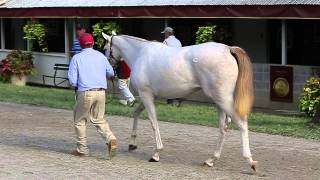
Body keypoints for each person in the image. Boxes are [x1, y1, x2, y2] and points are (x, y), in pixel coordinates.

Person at [68, 33, 117, 158]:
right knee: (99, 119)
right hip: (101, 92)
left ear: (80, 45)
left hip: (85, 92)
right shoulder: (101, 56)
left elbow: (72, 81)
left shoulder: (76, 58)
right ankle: (110, 138)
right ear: (93, 43)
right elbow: (111, 72)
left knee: (80, 120)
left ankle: (82, 149)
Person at [161, 27, 183, 105]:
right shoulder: (178, 41)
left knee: (168, 82)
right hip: (179, 64)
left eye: (165, 33)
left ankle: (170, 100)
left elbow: (162, 53)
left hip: (169, 64)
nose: (164, 35)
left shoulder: (166, 41)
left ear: (168, 33)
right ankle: (179, 97)